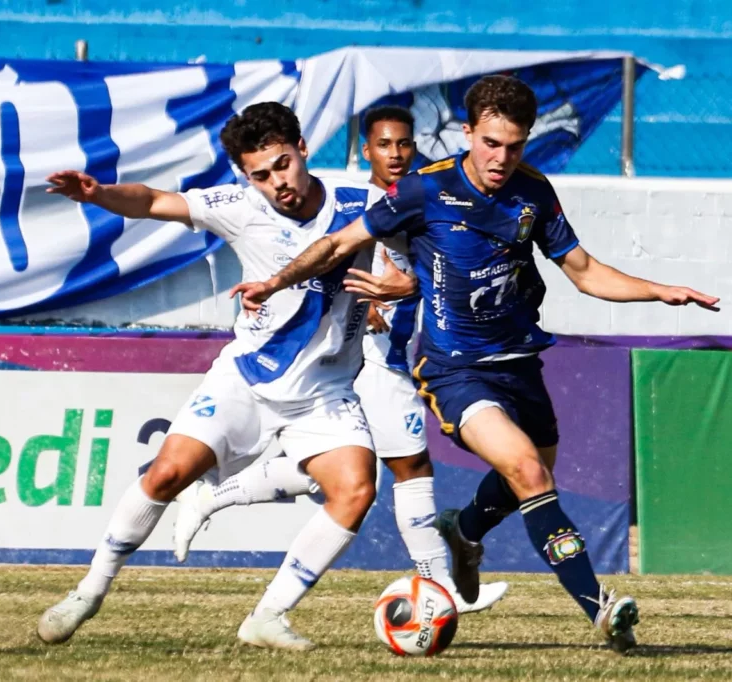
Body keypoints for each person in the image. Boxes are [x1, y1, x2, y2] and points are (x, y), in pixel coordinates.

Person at [230, 76, 720, 653]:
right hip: (455, 370)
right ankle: (601, 609)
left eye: (514, 146)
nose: (501, 158)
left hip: (520, 362)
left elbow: (584, 272)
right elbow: (341, 242)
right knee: (532, 475)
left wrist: (658, 291)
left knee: (524, 480)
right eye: (491, 143)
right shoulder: (423, 190)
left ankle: (464, 532)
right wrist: (275, 280)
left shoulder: (533, 192)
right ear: (468, 133)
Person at [36, 101, 385, 652]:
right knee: (167, 474)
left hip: (324, 390)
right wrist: (97, 193)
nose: (277, 183)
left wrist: (399, 289)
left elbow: (421, 254)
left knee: (356, 489)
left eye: (283, 164)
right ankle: (88, 591)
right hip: (246, 379)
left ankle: (267, 617)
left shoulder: (362, 204)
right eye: (261, 175)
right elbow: (152, 201)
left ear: (302, 150)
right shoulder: (239, 206)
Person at [172, 105, 508, 613]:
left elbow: (417, 262)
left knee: (339, 472)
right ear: (365, 151)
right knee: (407, 467)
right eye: (384, 145)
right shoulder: (357, 203)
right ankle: (443, 590)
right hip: (366, 358)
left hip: (394, 355)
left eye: (404, 144)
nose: (395, 154)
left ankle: (214, 496)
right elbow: (331, 258)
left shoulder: (408, 200)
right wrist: (370, 298)